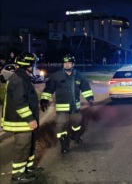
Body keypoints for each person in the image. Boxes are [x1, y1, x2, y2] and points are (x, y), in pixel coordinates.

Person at [1, 53, 44, 183]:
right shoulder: (19, 79)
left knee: (29, 146)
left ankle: (28, 168)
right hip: (20, 122)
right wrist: (30, 119)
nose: (34, 66)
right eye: (33, 64)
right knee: (22, 147)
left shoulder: (22, 77)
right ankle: (17, 175)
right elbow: (20, 103)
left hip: (22, 121)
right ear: (28, 65)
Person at [40, 54, 94, 154]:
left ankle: (75, 135)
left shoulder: (79, 76)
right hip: (62, 108)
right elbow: (49, 89)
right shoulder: (56, 76)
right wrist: (44, 100)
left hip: (75, 107)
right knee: (60, 125)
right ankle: (63, 143)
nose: (67, 65)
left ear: (73, 64)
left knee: (77, 121)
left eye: (69, 63)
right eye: (65, 63)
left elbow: (86, 88)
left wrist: (90, 99)